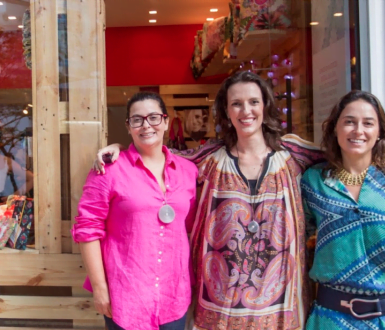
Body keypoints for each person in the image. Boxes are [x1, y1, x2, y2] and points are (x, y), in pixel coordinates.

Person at [94, 71, 324, 329]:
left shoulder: (294, 155)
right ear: (226, 112)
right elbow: (156, 155)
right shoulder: (210, 158)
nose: (245, 110)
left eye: (253, 102)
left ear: (266, 105)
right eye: (236, 103)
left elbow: (342, 156)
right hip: (220, 306)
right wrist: (117, 148)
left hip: (281, 304)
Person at [72, 92, 198, 330]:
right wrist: (100, 289)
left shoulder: (189, 170)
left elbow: (188, 226)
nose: (146, 125)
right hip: (127, 295)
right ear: (128, 126)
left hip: (175, 295)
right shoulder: (108, 171)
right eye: (137, 120)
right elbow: (87, 229)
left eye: (153, 117)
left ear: (166, 121)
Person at [301, 90, 385, 328]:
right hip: (330, 318)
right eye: (349, 122)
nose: (358, 130)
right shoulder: (313, 181)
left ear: (379, 132)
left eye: (368, 123)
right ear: (335, 128)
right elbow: (297, 246)